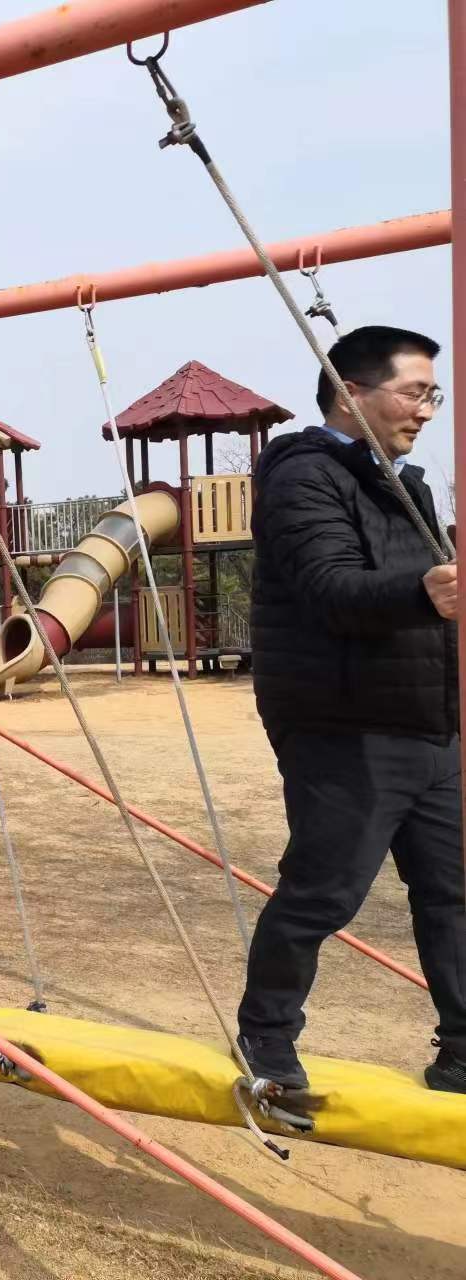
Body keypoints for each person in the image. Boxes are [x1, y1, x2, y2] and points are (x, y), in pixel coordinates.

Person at [237, 325, 464, 1095]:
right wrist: (426, 592)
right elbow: (331, 589)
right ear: (351, 392)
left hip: (432, 725)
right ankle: (267, 1040)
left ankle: (462, 1052)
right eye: (414, 392)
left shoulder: (406, 484)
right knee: (323, 893)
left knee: (454, 894)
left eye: (434, 395)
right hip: (344, 725)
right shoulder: (303, 476)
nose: (427, 410)